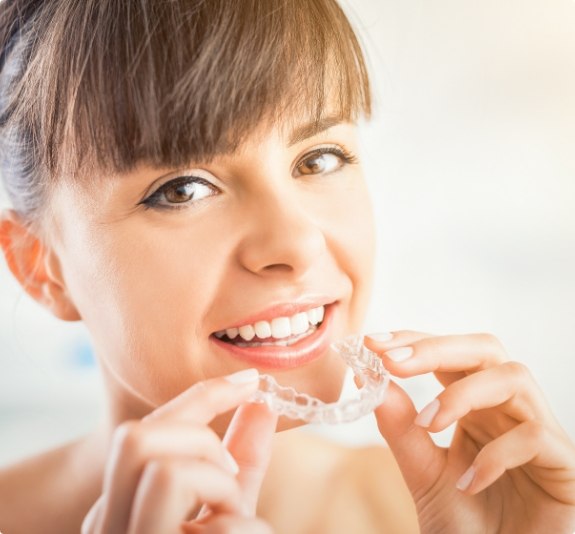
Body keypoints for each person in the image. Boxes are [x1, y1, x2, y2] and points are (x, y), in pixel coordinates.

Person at [0, 0, 573, 532]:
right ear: (41, 267)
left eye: (319, 159)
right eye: (181, 190)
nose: (296, 243)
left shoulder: (466, 512)